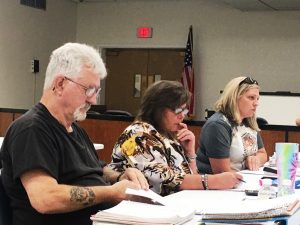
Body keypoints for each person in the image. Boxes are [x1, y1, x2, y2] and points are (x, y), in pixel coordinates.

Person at [0, 43, 148, 225]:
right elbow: (45, 198)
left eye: (97, 91)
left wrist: (119, 176)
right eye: (89, 89)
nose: (93, 99)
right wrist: (112, 192)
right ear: (60, 84)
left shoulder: (74, 128)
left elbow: (95, 169)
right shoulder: (31, 129)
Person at [108, 80, 243, 196]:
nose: (182, 116)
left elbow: (190, 177)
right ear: (157, 109)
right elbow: (166, 179)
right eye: (177, 111)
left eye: (184, 111)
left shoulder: (166, 134)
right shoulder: (138, 134)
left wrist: (190, 153)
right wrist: (214, 181)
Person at [196, 76, 268, 175]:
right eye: (251, 98)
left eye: (257, 99)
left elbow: (263, 154)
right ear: (234, 97)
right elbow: (222, 173)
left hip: (242, 180)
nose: (256, 103)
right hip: (218, 186)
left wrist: (255, 160)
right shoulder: (218, 125)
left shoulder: (249, 122)